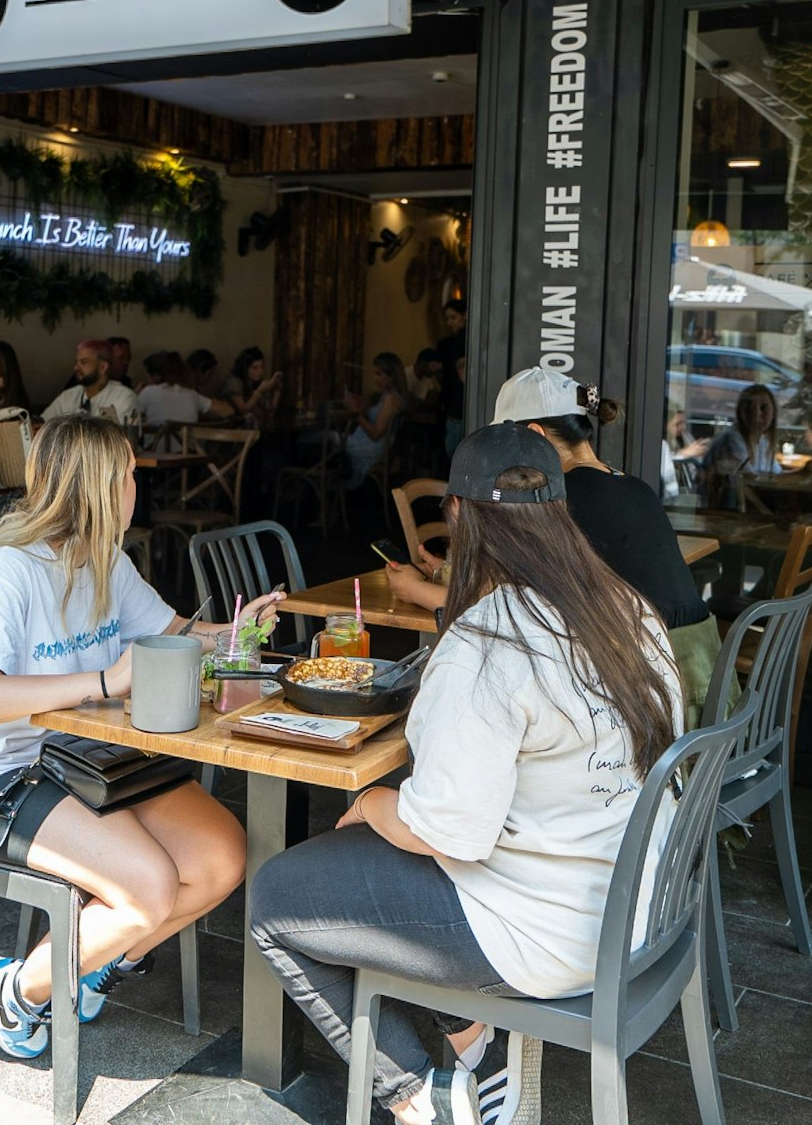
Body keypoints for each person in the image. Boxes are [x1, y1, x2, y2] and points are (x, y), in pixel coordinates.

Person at [251, 424, 683, 1125]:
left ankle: (419, 1096)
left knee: (277, 896)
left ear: (457, 514)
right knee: (382, 858)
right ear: (561, 507)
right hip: (639, 905)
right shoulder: (628, 609)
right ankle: (477, 1040)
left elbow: (448, 832)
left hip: (551, 931)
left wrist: (372, 801)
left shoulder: (488, 642)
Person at [0, 415, 274, 1059]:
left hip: (74, 757)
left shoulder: (104, 559)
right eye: (130, 473)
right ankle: (16, 992)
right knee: (148, 887)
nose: (138, 484)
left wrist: (236, 631)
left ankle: (92, 968)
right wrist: (106, 680)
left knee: (221, 856)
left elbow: (175, 632)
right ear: (101, 486)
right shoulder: (8, 571)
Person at [389, 368, 723, 724]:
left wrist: (415, 590)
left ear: (535, 436)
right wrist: (445, 573)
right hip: (706, 687)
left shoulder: (561, 500)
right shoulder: (633, 487)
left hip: (652, 701)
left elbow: (507, 609)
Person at [701, 383, 782, 509]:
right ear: (740, 412)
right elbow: (750, 481)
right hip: (726, 511)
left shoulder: (763, 441)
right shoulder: (732, 439)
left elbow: (775, 474)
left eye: (763, 408)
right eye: (749, 409)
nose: (756, 415)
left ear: (773, 412)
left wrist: (803, 472)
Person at [39, 338, 141, 426]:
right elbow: (42, 424)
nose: (76, 368)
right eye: (76, 362)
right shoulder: (69, 396)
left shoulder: (123, 397)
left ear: (102, 367)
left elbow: (122, 438)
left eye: (83, 362)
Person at [343, 352, 408, 487]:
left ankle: (323, 487)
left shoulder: (391, 399)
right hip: (368, 443)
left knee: (325, 438)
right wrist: (361, 408)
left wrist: (355, 413)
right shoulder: (387, 396)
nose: (375, 379)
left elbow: (376, 434)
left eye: (379, 374)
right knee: (326, 439)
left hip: (371, 447)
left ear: (391, 377)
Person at [137, 351, 231, 430]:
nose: (147, 381)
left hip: (155, 446)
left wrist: (135, 395)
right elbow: (228, 411)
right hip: (188, 446)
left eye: (148, 377)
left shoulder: (149, 392)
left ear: (156, 376)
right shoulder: (192, 394)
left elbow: (130, 415)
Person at [435, 298, 467, 458]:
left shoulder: (465, 340)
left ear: (465, 315)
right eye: (447, 318)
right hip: (453, 401)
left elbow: (462, 375)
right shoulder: (448, 343)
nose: (449, 323)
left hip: (459, 403)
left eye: (453, 317)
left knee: (454, 452)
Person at [221, 347, 283, 422]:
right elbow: (243, 411)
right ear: (245, 368)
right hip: (229, 426)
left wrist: (277, 391)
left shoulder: (253, 384)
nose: (260, 372)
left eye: (261, 367)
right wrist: (259, 391)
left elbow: (270, 413)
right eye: (254, 368)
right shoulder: (234, 382)